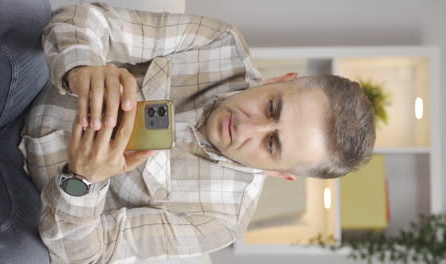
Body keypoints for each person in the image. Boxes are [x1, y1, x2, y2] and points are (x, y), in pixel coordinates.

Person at [19, 2, 376, 263]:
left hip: (22, 197)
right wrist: (81, 68)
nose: (247, 126)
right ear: (280, 80)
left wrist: (84, 181)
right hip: (26, 88)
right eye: (272, 107)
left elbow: (87, 253)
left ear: (278, 173)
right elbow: (85, 20)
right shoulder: (220, 43)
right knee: (18, 11)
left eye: (271, 143)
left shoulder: (221, 221)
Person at [0, 0, 52, 263]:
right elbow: (92, 24)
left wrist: (86, 184)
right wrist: (80, 66)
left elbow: (95, 253)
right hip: (25, 96)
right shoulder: (189, 39)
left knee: (27, 256)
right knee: (30, 15)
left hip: (31, 193)